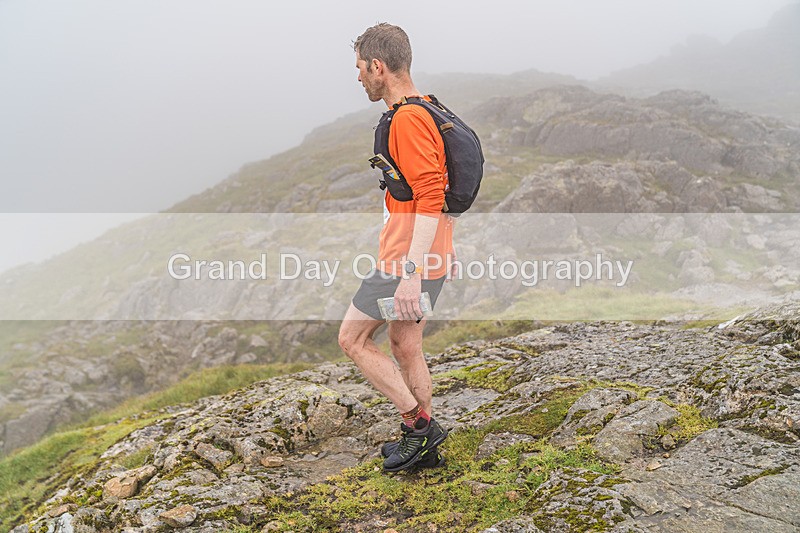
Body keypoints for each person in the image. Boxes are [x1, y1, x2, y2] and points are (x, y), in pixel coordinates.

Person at [338, 22, 456, 472]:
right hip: (430, 254)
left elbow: (430, 196)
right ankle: (421, 444)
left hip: (407, 261)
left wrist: (410, 274)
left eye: (360, 69)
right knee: (406, 345)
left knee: (352, 339)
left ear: (378, 66)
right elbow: (439, 192)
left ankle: (419, 427)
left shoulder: (408, 119)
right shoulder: (427, 108)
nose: (358, 78)